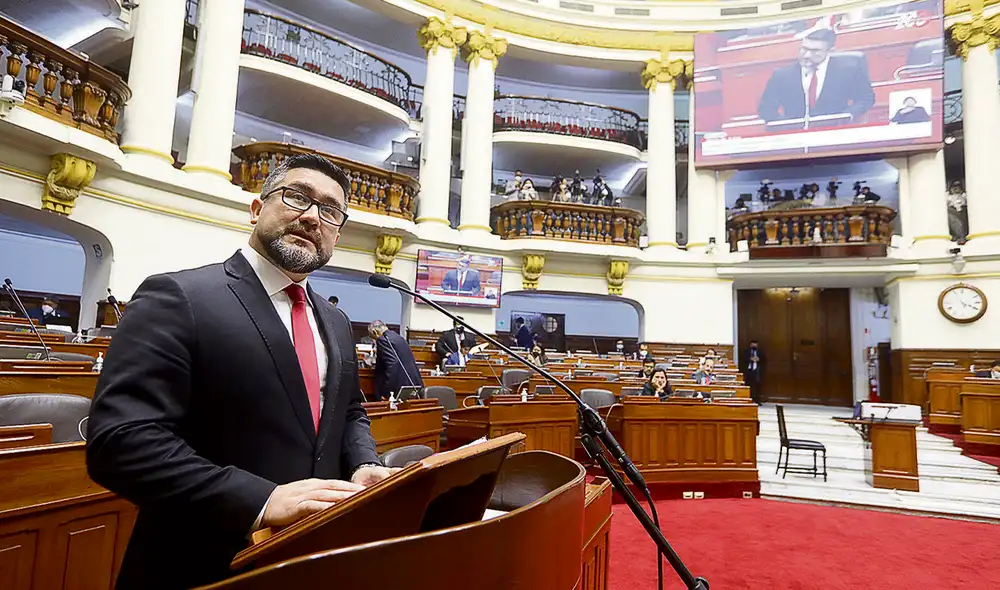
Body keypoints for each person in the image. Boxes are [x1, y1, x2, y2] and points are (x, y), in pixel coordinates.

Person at [86, 154, 394, 589]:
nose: (312, 217)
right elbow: (121, 442)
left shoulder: (336, 320)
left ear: (337, 234)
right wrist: (261, 500)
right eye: (297, 197)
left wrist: (363, 462)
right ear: (256, 208)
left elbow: (349, 412)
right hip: (200, 560)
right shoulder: (179, 296)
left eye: (330, 211)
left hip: (310, 557)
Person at [757, 29, 874, 127]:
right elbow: (766, 109)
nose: (807, 55)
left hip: (835, 131)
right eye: (804, 49)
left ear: (830, 51)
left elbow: (866, 98)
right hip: (795, 134)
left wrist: (846, 116)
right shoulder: (782, 75)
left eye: (815, 51)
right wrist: (787, 126)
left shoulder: (848, 70)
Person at [368, 320, 423, 401]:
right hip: (413, 382)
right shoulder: (398, 337)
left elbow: (392, 364)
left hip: (398, 387)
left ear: (375, 332)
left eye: (373, 337)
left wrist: (387, 391)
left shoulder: (383, 340)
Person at [742, 339, 765, 404]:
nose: (754, 345)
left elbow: (764, 360)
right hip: (749, 370)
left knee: (758, 385)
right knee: (749, 385)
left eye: (755, 344)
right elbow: (743, 359)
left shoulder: (760, 352)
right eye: (753, 344)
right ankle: (749, 399)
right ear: (750, 344)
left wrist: (758, 359)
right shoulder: (746, 351)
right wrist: (750, 359)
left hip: (757, 370)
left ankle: (758, 400)